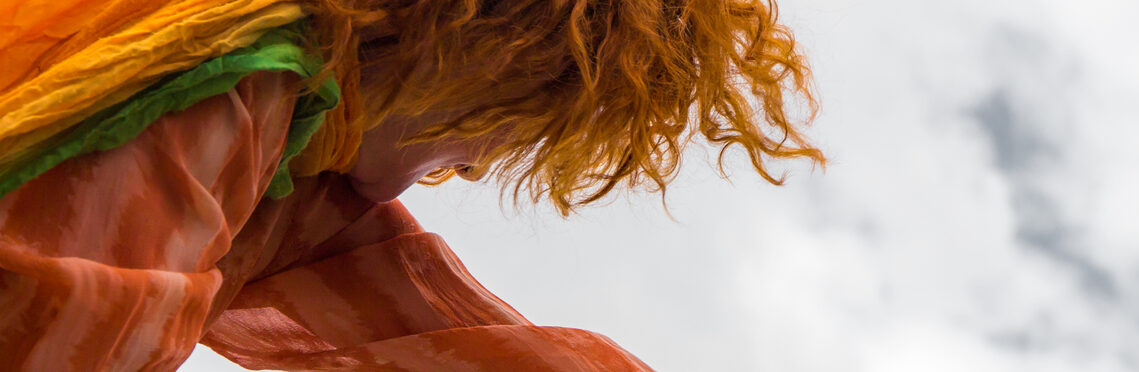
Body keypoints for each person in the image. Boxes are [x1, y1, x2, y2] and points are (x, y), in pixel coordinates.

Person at [0, 0, 822, 370]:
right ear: (497, 58)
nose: (476, 167)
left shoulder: (296, 136)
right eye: (522, 126)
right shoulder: (226, 90)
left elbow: (439, 330)